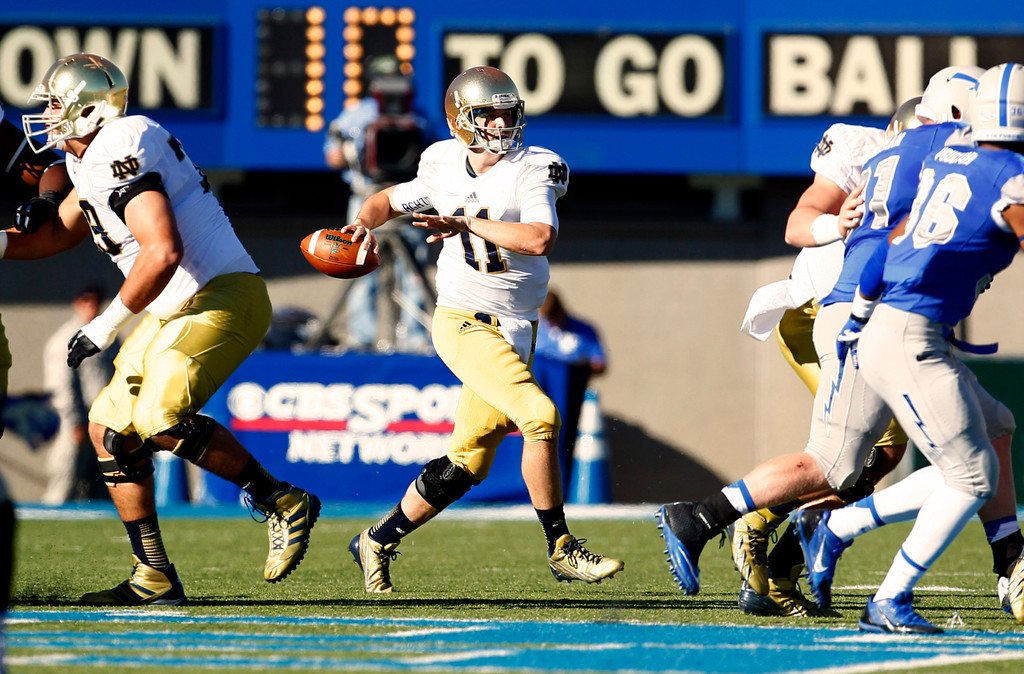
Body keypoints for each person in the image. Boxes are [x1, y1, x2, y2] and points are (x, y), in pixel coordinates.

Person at [658, 65, 1023, 614]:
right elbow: (845, 233)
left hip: (869, 310)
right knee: (841, 463)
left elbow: (890, 247)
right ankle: (711, 518)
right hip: (867, 315)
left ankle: (1006, 554)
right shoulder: (960, 158)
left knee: (981, 433)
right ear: (956, 116)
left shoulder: (897, 158)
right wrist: (861, 293)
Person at [4, 53, 320, 605]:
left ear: (87, 110)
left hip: (219, 294)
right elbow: (57, 236)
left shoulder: (122, 141)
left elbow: (163, 251)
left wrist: (104, 326)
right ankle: (153, 575)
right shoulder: (88, 160)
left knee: (157, 418)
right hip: (173, 307)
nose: (48, 114)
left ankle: (280, 498)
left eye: (57, 103)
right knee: (108, 430)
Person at [339, 65, 623, 592]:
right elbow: (388, 199)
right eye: (486, 113)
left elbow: (538, 239)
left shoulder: (535, 166)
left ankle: (376, 539)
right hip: (460, 318)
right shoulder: (441, 162)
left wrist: (465, 221)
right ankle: (562, 547)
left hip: (518, 326)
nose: (499, 123)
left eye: (506, 112)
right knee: (539, 416)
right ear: (459, 121)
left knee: (469, 461)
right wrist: (363, 224)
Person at [803, 62, 1024, 633]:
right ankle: (889, 599)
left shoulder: (942, 160)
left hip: (884, 321)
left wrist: (856, 316)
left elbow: (887, 243)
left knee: (991, 429)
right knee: (973, 477)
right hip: (913, 336)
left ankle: (840, 529)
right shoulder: (1010, 176)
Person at [731, 104, 912, 617]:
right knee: (853, 450)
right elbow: (797, 223)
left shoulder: (948, 181)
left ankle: (779, 566)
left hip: (867, 325)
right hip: (818, 316)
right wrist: (840, 221)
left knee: (881, 454)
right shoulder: (864, 149)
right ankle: (752, 521)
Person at [324, 55, 432, 352]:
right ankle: (362, 339)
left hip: (408, 198)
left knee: (413, 271)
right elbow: (332, 156)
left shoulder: (420, 118)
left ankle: (415, 338)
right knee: (359, 264)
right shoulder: (355, 115)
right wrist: (355, 152)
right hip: (366, 198)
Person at [41, 283, 118, 504]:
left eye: (96, 300)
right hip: (77, 422)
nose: (91, 306)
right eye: (86, 300)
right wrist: (73, 421)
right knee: (66, 478)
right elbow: (60, 386)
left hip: (104, 421)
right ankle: (50, 526)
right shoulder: (66, 338)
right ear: (77, 303)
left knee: (101, 482)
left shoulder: (108, 336)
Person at [535, 289, 607, 480]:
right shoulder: (535, 329)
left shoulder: (583, 330)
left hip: (571, 399)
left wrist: (577, 364)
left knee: (567, 443)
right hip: (541, 398)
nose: (552, 322)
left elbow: (600, 363)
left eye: (554, 316)